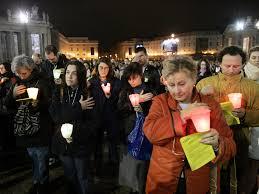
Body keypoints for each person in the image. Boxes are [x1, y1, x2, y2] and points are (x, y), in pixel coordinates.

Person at [143, 56, 236, 194]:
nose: (176, 91)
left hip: (198, 178)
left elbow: (231, 145)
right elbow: (151, 133)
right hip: (164, 177)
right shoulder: (160, 102)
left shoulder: (210, 104)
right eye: (171, 85)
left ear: (193, 79)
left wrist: (218, 144)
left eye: (182, 84)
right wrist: (182, 115)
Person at [196, 46, 259, 194]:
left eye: (236, 66)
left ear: (243, 64)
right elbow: (189, 108)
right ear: (219, 63)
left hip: (239, 137)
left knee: (236, 176)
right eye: (227, 65)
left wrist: (245, 114)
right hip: (209, 135)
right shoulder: (204, 83)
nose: (231, 70)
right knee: (211, 176)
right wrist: (200, 96)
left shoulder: (253, 87)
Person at [4, 55, 52, 194]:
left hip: (40, 127)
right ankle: (36, 181)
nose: (21, 76)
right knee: (33, 158)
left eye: (24, 73)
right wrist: (12, 94)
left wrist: (37, 104)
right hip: (25, 128)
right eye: (18, 73)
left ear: (31, 69)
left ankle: (43, 184)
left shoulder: (42, 81)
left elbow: (49, 103)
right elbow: (7, 105)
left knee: (42, 158)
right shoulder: (18, 83)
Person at [49, 60, 97, 194]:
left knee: (83, 177)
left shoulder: (87, 93)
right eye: (68, 72)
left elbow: (93, 122)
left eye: (74, 73)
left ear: (80, 76)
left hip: (80, 144)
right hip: (62, 144)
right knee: (70, 176)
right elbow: (56, 117)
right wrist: (78, 108)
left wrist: (76, 133)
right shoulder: (59, 92)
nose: (69, 76)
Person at [118, 62, 155, 194]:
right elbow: (120, 108)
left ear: (140, 75)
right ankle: (133, 187)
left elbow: (155, 111)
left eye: (134, 77)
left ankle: (141, 188)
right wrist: (136, 101)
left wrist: (143, 110)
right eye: (129, 79)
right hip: (130, 131)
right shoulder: (126, 91)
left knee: (143, 164)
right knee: (130, 163)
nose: (132, 81)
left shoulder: (150, 90)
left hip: (146, 133)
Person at [88, 57, 121, 175]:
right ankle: (98, 165)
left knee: (112, 141)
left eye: (106, 67)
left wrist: (110, 96)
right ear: (97, 68)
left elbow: (118, 99)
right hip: (96, 116)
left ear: (110, 68)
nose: (103, 70)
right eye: (101, 67)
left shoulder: (116, 81)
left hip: (111, 116)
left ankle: (114, 164)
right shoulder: (92, 82)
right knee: (98, 141)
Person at [242, 46, 259, 194]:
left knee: (254, 161)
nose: (257, 61)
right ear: (249, 59)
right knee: (243, 162)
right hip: (242, 125)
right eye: (254, 58)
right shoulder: (241, 74)